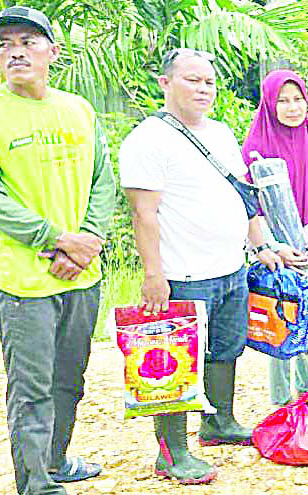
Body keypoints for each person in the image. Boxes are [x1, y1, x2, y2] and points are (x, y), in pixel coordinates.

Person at [0, 6, 115, 495]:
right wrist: (56, 238)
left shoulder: (78, 110)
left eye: (28, 41)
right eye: (5, 43)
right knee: (32, 391)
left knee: (70, 380)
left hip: (80, 274)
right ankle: (36, 484)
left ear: (53, 51)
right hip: (21, 279)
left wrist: (85, 240)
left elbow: (102, 181)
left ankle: (55, 461)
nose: (16, 51)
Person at [120, 48, 281, 484]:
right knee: (175, 364)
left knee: (226, 348)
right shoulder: (148, 139)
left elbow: (241, 194)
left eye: (209, 81)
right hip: (183, 272)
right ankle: (172, 453)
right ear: (166, 83)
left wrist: (261, 246)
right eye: (192, 80)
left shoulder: (222, 134)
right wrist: (154, 275)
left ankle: (219, 422)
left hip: (230, 266)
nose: (203, 89)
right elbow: (144, 214)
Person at [242, 69, 308, 404]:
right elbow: (249, 204)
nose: (292, 107)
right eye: (283, 101)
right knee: (280, 322)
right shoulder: (255, 146)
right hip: (277, 251)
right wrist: (273, 246)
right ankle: (282, 402)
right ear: (269, 105)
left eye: (298, 99)